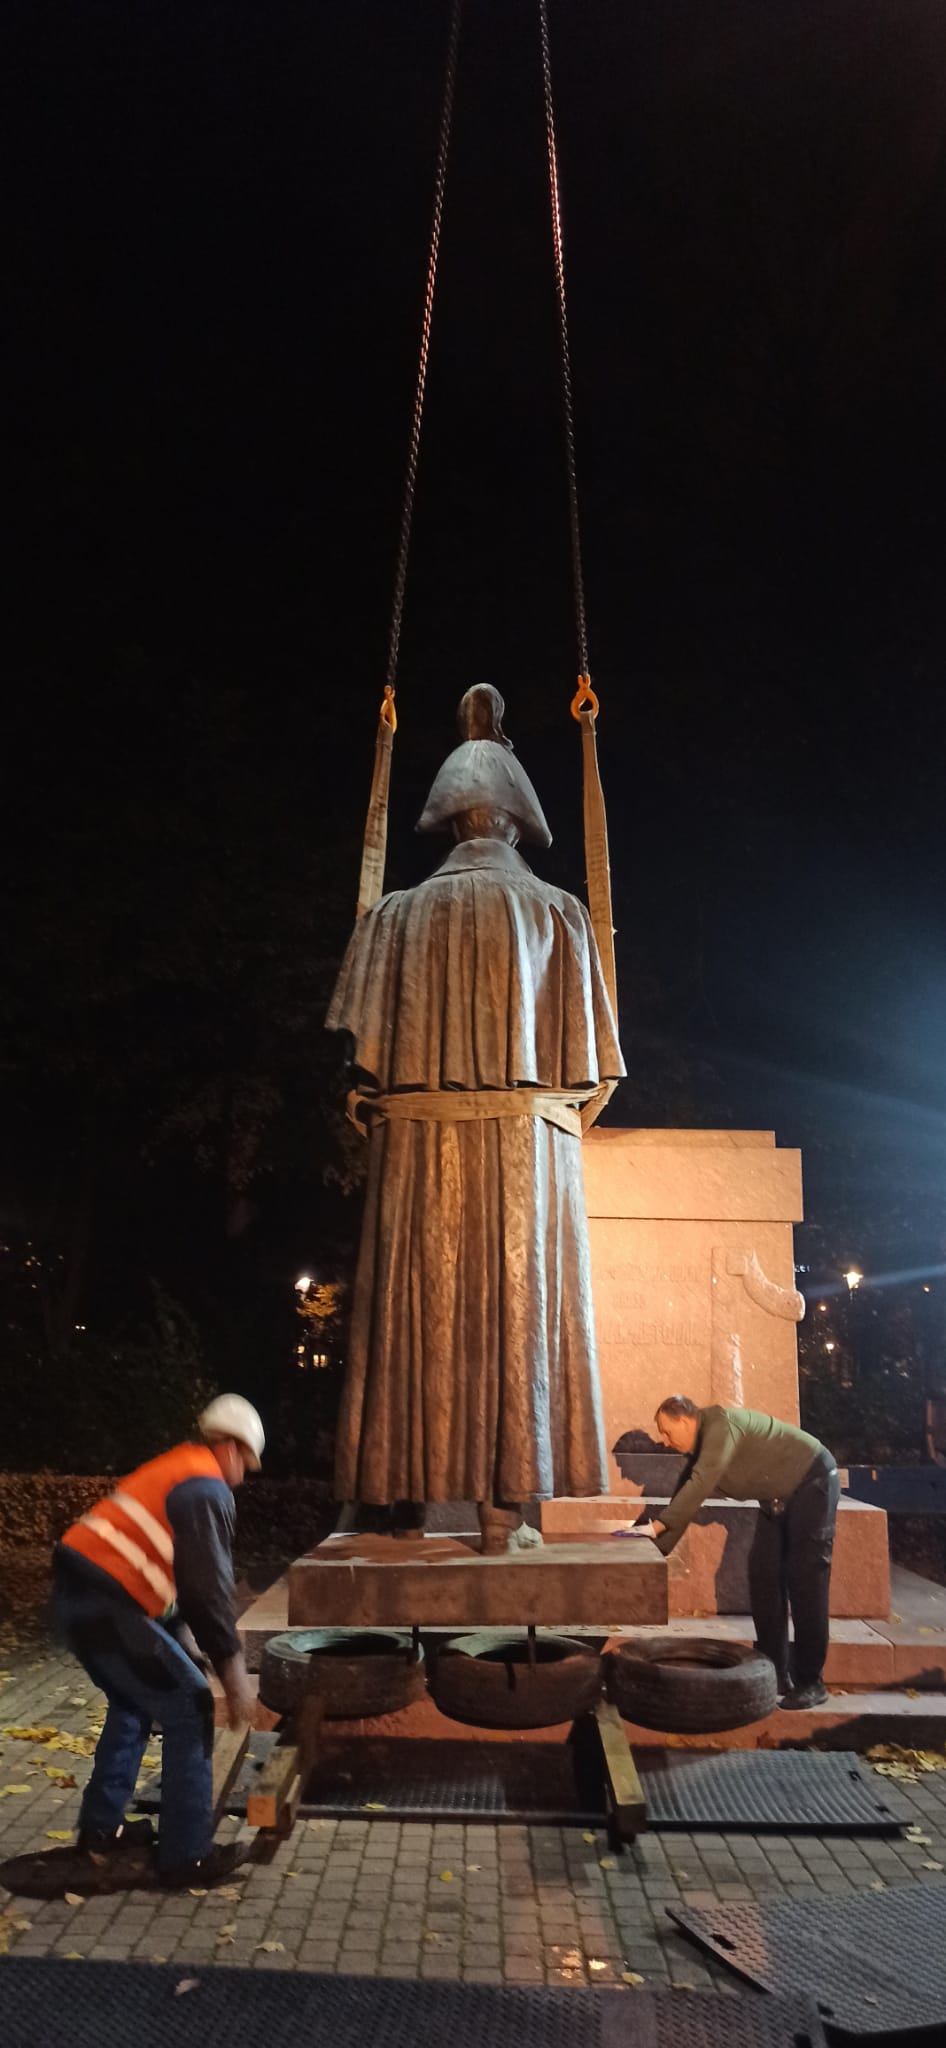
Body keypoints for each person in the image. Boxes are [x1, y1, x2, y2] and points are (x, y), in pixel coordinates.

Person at [327, 686, 624, 1552]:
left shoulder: (394, 916)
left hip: (417, 1152)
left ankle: (404, 1503)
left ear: (453, 821)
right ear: (516, 825)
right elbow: (597, 1075)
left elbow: (358, 1070)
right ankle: (502, 1514)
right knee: (519, 1317)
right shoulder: (561, 914)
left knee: (414, 1313)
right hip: (530, 1151)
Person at [51, 1393, 263, 1886]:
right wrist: (233, 1674)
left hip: (81, 1598)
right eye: (246, 1463)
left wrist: (180, 1639)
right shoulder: (205, 1487)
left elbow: (165, 1573)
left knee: (135, 1701)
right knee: (192, 1705)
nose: (243, 1475)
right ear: (231, 1447)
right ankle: (186, 1857)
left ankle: (101, 1831)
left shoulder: (179, 1468)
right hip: (106, 1605)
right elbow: (207, 1588)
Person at [648, 1394, 840, 1710]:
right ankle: (774, 1673)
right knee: (764, 1577)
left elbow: (698, 1486)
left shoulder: (720, 1427)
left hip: (812, 1480)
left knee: (806, 1583)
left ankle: (811, 1681)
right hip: (777, 1497)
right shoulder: (700, 1446)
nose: (666, 1442)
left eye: (667, 1432)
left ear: (684, 1419)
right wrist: (653, 1550)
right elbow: (684, 1494)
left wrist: (656, 1528)